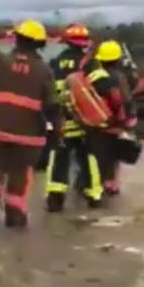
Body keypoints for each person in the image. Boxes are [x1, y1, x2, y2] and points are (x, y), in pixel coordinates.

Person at [0, 19, 60, 228]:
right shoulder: (44, 70)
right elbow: (52, 105)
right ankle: (14, 213)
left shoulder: (2, 62)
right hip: (28, 133)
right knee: (20, 171)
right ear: (40, 44)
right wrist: (56, 131)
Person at [45, 23, 102, 211]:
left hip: (62, 119)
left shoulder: (55, 62)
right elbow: (101, 88)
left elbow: (49, 92)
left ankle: (55, 197)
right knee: (89, 157)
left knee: (59, 157)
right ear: (84, 43)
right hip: (85, 121)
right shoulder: (90, 63)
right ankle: (94, 195)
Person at [91, 40, 136, 196]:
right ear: (117, 59)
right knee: (115, 152)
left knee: (98, 153)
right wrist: (130, 118)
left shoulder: (94, 76)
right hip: (116, 120)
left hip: (96, 120)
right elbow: (127, 98)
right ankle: (112, 184)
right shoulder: (119, 77)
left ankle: (97, 182)